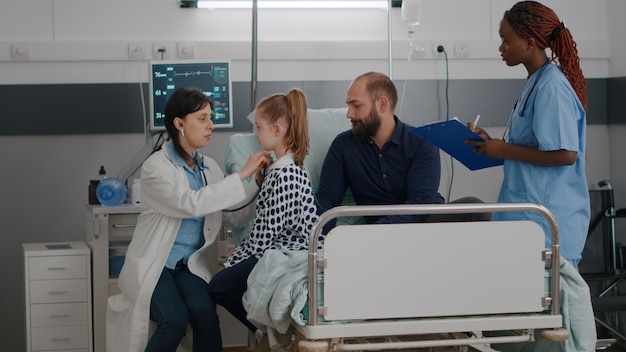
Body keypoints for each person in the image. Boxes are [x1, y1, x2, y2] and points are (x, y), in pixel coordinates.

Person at [106, 87, 272, 352]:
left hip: (187, 266)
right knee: (173, 319)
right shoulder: (156, 167)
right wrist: (241, 175)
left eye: (210, 117)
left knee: (205, 316)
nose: (211, 125)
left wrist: (255, 185)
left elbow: (232, 216)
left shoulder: (210, 169)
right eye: (202, 118)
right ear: (179, 123)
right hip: (156, 264)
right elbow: (189, 204)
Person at [466, 1, 590, 269]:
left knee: (549, 307)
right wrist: (491, 145)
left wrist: (505, 150)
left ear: (530, 42)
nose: (501, 48)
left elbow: (566, 154)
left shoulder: (552, 87)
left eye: (505, 40)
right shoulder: (536, 82)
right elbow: (532, 145)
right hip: (527, 218)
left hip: (547, 224)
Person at [207, 88, 318, 342]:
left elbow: (267, 232)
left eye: (258, 127)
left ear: (277, 130)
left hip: (288, 251)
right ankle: (267, 332)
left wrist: (241, 253)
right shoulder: (287, 168)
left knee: (218, 287)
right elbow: (266, 225)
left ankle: (268, 333)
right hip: (282, 246)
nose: (255, 134)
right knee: (226, 279)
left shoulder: (283, 175)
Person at [315, 71, 446, 225]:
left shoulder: (422, 143)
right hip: (378, 236)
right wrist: (319, 240)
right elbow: (327, 201)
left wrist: (376, 232)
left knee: (473, 205)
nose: (349, 114)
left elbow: (420, 204)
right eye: (349, 106)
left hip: (425, 226)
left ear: (382, 104)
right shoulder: (343, 146)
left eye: (356, 105)